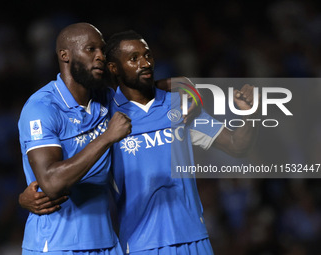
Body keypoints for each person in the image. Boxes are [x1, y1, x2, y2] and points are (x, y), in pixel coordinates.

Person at [20, 30, 259, 254]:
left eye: (147, 56)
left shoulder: (179, 106)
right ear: (114, 68)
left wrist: (247, 112)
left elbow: (237, 145)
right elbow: (70, 161)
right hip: (139, 243)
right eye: (133, 58)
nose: (144, 63)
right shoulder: (107, 114)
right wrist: (27, 195)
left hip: (195, 236)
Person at [17, 22, 131, 255]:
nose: (100, 56)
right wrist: (106, 138)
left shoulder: (104, 98)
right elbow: (50, 183)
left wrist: (177, 86)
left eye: (102, 50)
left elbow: (146, 94)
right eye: (91, 49)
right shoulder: (42, 107)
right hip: (57, 244)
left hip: (107, 242)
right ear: (65, 55)